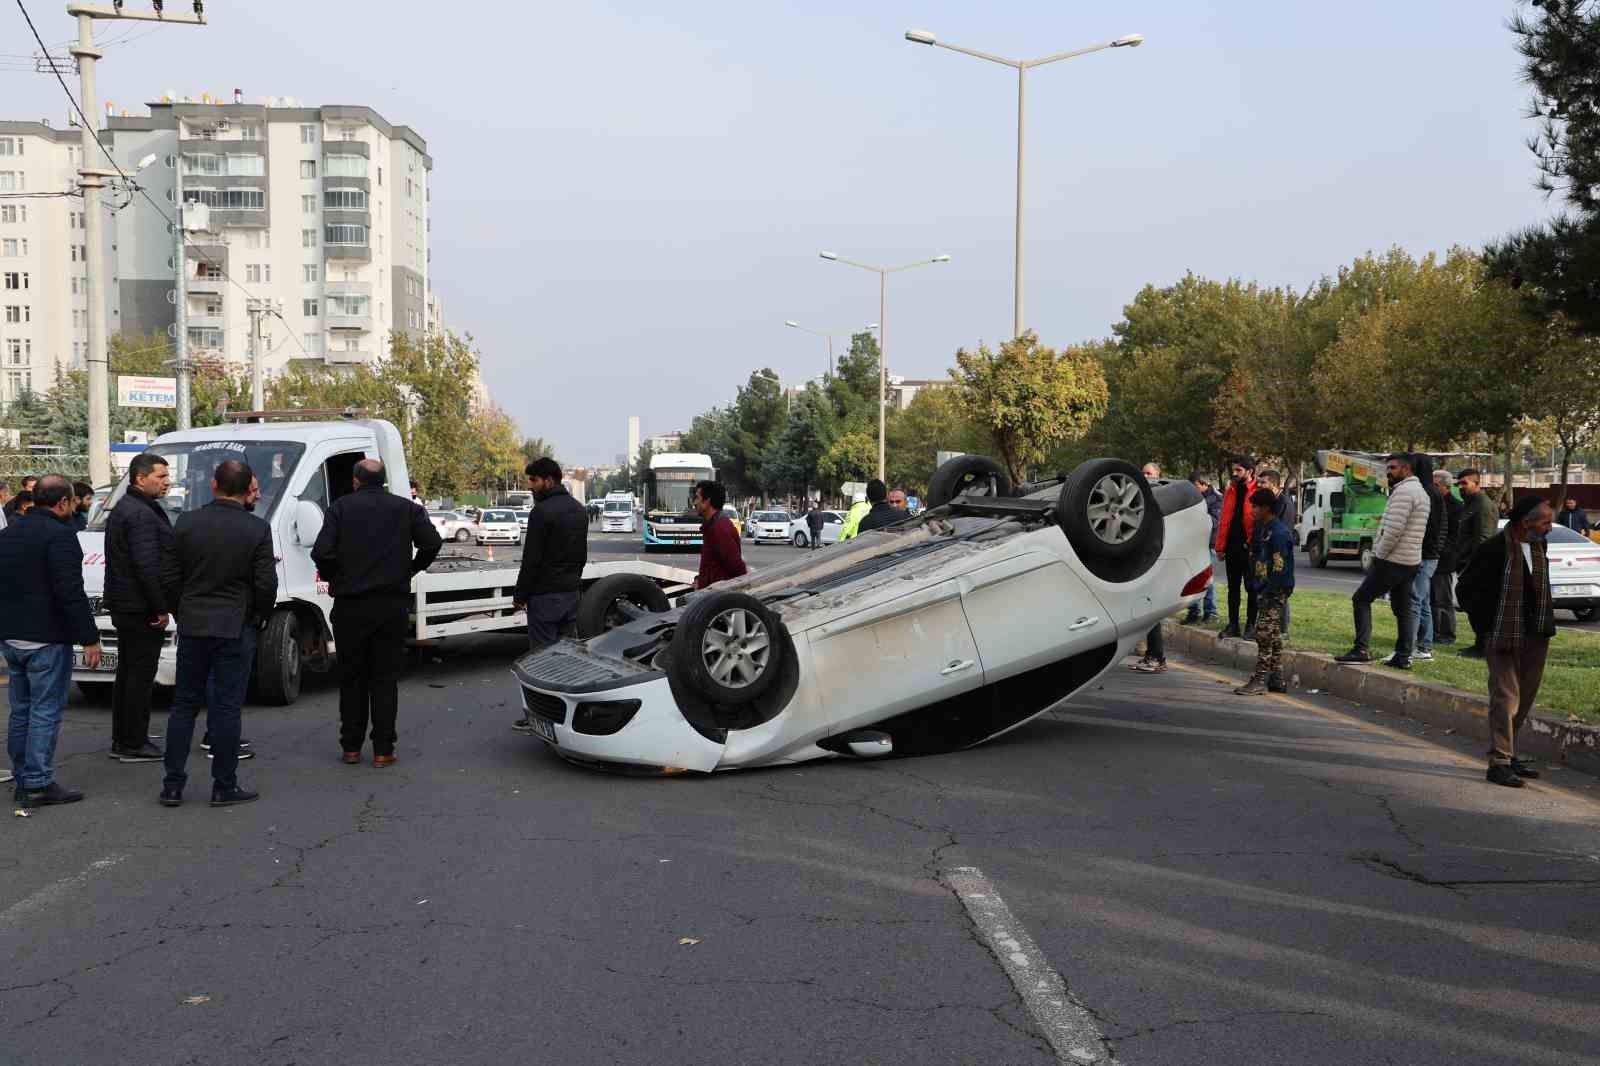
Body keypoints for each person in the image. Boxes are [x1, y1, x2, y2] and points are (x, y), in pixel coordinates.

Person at [311, 459, 442, 767]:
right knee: (384, 679)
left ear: (356, 481)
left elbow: (321, 553)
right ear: (382, 481)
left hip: (350, 606)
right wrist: (411, 569)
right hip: (390, 605)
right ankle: (383, 749)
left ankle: (351, 747)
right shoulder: (406, 508)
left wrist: (336, 577)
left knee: (352, 677)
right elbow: (432, 542)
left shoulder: (340, 509)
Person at [161, 460, 275, 808]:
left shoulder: (187, 523)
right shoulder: (256, 529)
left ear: (214, 485)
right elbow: (265, 584)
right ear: (246, 491)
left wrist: (181, 611)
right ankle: (224, 785)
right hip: (235, 625)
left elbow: (168, 576)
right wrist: (258, 617)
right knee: (226, 708)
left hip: (194, 622)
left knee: (184, 706)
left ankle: (173, 784)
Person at [0, 475, 101, 807]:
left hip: (12, 638)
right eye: (72, 502)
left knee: (22, 709)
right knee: (44, 711)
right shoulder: (61, 537)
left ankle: (23, 773)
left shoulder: (9, 532)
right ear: (63, 503)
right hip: (45, 637)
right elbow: (70, 592)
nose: (74, 508)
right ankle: (37, 782)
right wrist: (89, 639)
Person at [1457, 496, 1557, 788]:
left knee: (1524, 698)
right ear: (1526, 522)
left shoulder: (1540, 545)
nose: (1550, 527)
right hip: (1501, 635)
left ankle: (1510, 755)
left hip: (1536, 634)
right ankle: (1499, 762)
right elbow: (1466, 589)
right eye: (1545, 522)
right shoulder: (1493, 549)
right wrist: (1487, 627)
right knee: (1506, 698)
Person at [104, 452, 178, 763]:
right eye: (160, 476)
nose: (167, 482)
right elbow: (147, 566)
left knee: (129, 673)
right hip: (139, 607)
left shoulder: (132, 507)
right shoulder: (139, 513)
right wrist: (160, 608)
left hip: (129, 604)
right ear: (140, 478)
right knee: (138, 675)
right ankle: (133, 741)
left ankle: (126, 737)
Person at [1336, 453, 1430, 670]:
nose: (1388, 472)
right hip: (1410, 560)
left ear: (1406, 469)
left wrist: (1379, 554)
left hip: (1393, 560)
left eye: (1393, 468)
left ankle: (1361, 649)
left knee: (1361, 599)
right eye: (1388, 468)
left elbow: (1393, 531)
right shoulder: (1418, 492)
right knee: (1403, 608)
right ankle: (1403, 655)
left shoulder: (1405, 492)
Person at [513, 458, 588, 652]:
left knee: (542, 658)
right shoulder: (579, 509)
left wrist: (520, 596)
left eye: (533, 480)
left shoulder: (541, 512)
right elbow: (582, 556)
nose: (530, 485)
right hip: (572, 594)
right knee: (568, 655)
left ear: (548, 481)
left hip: (545, 597)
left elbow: (531, 560)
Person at [1236, 488, 1296, 695]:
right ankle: (1276, 678)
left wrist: (1268, 589)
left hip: (1275, 589)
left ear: (1266, 508)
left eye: (1255, 506)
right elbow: (1261, 559)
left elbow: (1279, 567)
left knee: (1263, 633)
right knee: (1274, 634)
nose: (1252, 510)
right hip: (1265, 587)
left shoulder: (1278, 532)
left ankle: (1260, 679)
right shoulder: (1264, 528)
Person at [1454, 470, 1500, 659]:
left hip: (1477, 565)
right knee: (1471, 604)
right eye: (1459, 483)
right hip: (1466, 563)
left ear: (1476, 483)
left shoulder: (1483, 505)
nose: (1461, 487)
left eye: (1465, 483)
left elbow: (1484, 539)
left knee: (1478, 607)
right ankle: (1481, 643)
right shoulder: (1470, 504)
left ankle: (1484, 646)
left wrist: (1473, 566)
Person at [1407, 454, 1447, 662]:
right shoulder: (1431, 491)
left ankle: (1412, 648)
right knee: (1422, 601)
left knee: (1415, 600)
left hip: (1424, 555)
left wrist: (1424, 552)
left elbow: (1430, 528)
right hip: (1426, 554)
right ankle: (1423, 646)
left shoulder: (1426, 493)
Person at [1214, 457, 1258, 639]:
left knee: (1252, 588)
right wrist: (1220, 546)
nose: (1235, 473)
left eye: (1239, 470)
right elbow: (1224, 519)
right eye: (1234, 470)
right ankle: (1233, 624)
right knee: (1233, 587)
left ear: (1250, 471)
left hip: (1249, 547)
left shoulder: (1257, 490)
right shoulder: (1231, 490)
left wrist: (1253, 544)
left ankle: (1250, 625)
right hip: (1231, 546)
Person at [1132, 463, 1169, 674]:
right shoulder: (1141, 497)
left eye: (1150, 473)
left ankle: (1156, 656)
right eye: (1143, 473)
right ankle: (1151, 654)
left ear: (1158, 475)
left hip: (1155, 560)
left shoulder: (1161, 499)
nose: (1146, 476)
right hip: (1142, 560)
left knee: (1152, 611)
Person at [1255, 469, 1295, 637]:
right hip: (1266, 555)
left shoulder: (1283, 504)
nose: (1259, 486)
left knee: (1279, 592)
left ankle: (1282, 628)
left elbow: (1280, 533)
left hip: (1277, 556)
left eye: (1263, 483)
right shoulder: (1270, 502)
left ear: (1273, 484)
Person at [691, 480, 746, 590]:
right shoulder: (713, 525)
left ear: (707, 501)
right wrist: (701, 580)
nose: (694, 503)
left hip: (718, 598)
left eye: (697, 498)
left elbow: (737, 568)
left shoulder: (720, 528)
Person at [1185, 471, 1223, 624]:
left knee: (1207, 580)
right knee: (1191, 579)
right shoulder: (1191, 498)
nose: (1192, 490)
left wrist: (1195, 518)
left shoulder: (1217, 499)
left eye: (1195, 486)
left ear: (1204, 484)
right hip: (1192, 543)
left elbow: (1215, 521)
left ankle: (1211, 612)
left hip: (1208, 544)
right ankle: (1193, 611)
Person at [1431, 469, 1463, 647]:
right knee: (1430, 600)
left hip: (1443, 561)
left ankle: (1447, 634)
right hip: (1430, 558)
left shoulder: (1456, 507)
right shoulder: (1432, 502)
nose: (1433, 488)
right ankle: (1434, 632)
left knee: (1443, 600)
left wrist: (1439, 551)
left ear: (1446, 486)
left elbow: (1454, 537)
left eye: (1436, 485)